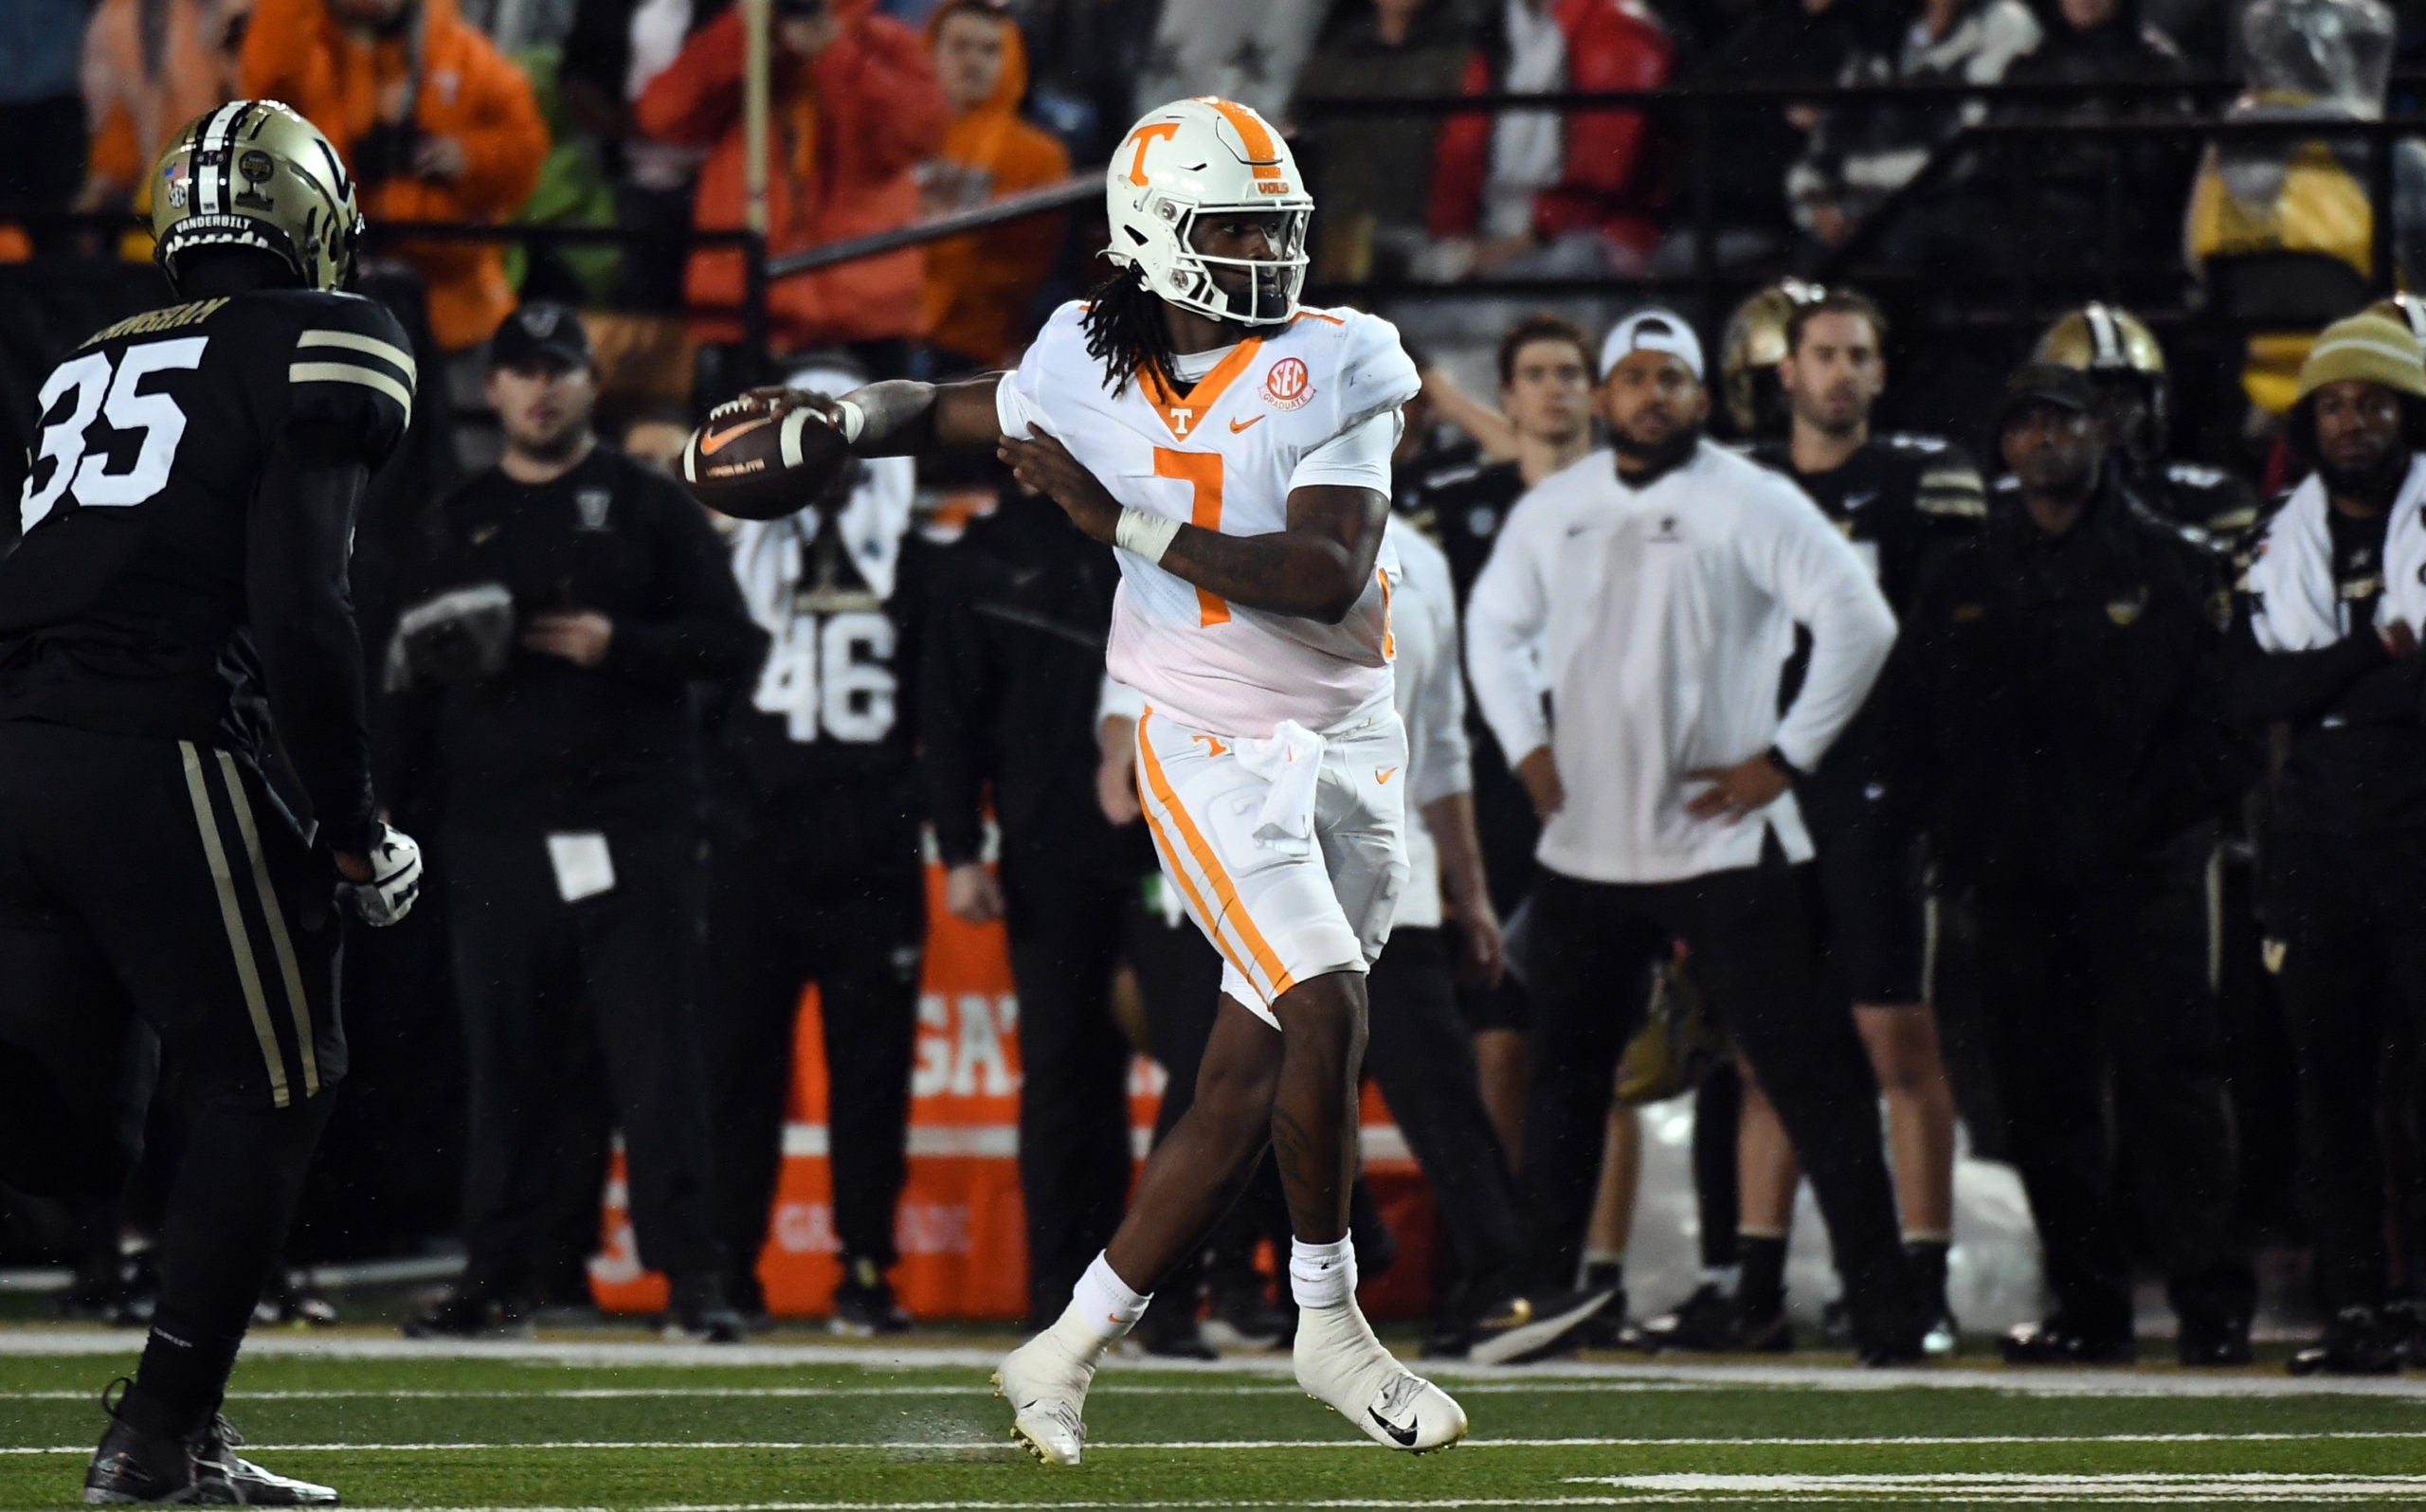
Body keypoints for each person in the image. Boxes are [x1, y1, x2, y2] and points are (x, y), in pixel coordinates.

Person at [741, 95, 1467, 1459]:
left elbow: (1322, 575)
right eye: (1235, 228)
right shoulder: (1084, 352)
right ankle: (1330, 1325)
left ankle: (1063, 1349)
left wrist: (1116, 518)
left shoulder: (1344, 356)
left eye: (1279, 225)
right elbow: (952, 409)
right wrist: (835, 418)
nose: (1268, 251)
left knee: (1242, 1081)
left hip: (1352, 732)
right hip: (1201, 737)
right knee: (1325, 1003)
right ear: (1157, 235)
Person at [0, 101, 422, 1503]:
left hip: (20, 745)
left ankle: (182, 1428)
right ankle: (162, 1434)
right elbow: (303, 608)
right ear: (308, 213)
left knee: (69, 1139)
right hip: (153, 741)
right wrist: (352, 824)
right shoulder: (325, 334)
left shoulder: (88, 353)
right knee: (279, 1077)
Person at [1464, 308, 1925, 1364]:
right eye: (1632, 378)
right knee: (1566, 1085)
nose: (1650, 396)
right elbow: (1492, 626)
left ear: (1703, 399)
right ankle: (1543, 1304)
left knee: (1808, 1077)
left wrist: (1786, 757)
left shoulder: (1750, 498)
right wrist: (1526, 744)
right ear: (1604, 397)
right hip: (1586, 851)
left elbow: (1861, 620)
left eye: (1669, 379)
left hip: (1725, 847)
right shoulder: (1557, 506)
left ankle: (1888, 1314)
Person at [383, 303, 765, 1341]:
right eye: (521, 370)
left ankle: (693, 1279)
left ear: (592, 384)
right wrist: (383, 808)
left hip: (633, 828)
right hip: (496, 832)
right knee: (506, 1065)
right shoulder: (455, 516)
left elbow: (733, 645)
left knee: (656, 1061)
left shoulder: (647, 504)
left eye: (558, 369)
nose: (540, 388)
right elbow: (400, 683)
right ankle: (502, 1275)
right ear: (493, 388)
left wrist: (620, 643)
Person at [1642, 289, 1981, 1355]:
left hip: (1874, 790)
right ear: (1784, 371)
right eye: (1822, 355)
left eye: (1857, 355)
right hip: (1761, 800)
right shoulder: (1735, 485)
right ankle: (1756, 1283)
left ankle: (1920, 1282)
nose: (1839, 373)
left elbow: (1947, 657)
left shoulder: (1918, 480)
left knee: (1895, 1042)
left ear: (1880, 370)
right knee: (1767, 1051)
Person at [1901, 362, 2254, 1366]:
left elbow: (2223, 724)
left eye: (2062, 420)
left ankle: (2211, 1310)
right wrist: (1958, 839)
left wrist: (2155, 827)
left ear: (2101, 432)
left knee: (2171, 1090)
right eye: (2024, 425)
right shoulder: (1963, 575)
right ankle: (2088, 1310)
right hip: (2017, 885)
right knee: (2042, 1099)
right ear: (2002, 445)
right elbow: (1918, 722)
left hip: (2143, 878)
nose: (2043, 440)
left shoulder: (2174, 564)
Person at [921, 452, 1231, 1348]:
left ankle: (1165, 1295)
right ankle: (1064, 1299)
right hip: (1049, 849)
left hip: (1174, 843)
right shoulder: (981, 559)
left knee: (1202, 1064)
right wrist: (960, 849)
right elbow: (948, 716)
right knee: (1065, 1071)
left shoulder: (1164, 532)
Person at [701, 362, 932, 1336]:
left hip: (869, 851)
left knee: (870, 1077)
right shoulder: (729, 560)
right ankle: (727, 1265)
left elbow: (941, 708)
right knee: (737, 1066)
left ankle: (865, 1266)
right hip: (755, 846)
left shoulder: (915, 562)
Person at [1360, 511, 1617, 1361]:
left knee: (1439, 1087)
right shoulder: (1235, 523)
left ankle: (1497, 1288)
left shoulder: (1422, 560)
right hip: (1276, 868)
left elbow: (1438, 740)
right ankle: (1142, 1295)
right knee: (1242, 1096)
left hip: (1390, 874)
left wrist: (1467, 890)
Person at [2228, 313, 2426, 1376]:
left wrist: (2325, 688)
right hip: (2315, 844)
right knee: (2329, 1090)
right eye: (2335, 405)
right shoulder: (2274, 535)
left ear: (2408, 414)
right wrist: (2368, 657)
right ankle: (2354, 1308)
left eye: (2375, 403)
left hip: (2415, 834)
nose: (2353, 422)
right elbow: (2245, 691)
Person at [1405, 314, 1597, 1154]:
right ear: (1509, 396)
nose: (1555, 390)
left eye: (1569, 374)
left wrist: (1452, 400)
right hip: (1496, 784)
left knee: (1602, 1042)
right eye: (1537, 376)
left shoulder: (1638, 500)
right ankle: (1500, 1228)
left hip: (1609, 782)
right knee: (1499, 1031)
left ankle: (1573, 1236)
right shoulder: (1455, 505)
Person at [636, 0, 948, 362]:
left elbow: (914, 137)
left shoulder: (884, 42)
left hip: (862, 313)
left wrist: (831, 51)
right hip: (744, 306)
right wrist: (742, 36)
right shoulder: (740, 40)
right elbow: (662, 117)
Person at [240, 0, 550, 354]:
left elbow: (527, 149)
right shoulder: (315, 55)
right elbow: (268, 84)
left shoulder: (464, 54)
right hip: (336, 304)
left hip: (454, 312)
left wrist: (469, 156)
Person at [1426, 0, 1674, 279]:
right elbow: (1462, 148)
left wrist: (1525, 240)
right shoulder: (1501, 22)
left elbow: (1601, 165)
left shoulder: (1619, 22)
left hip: (1592, 243)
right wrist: (1450, 237)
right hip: (1498, 234)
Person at [2031, 303, 2259, 552]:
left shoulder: (2212, 494)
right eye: (2096, 399)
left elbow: (2235, 567)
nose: (2113, 413)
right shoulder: (2015, 503)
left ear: (2153, 403)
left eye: (2124, 396)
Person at [919, 1, 1072, 371]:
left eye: (990, 50)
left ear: (1013, 59)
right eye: (960, 47)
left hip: (972, 346)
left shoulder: (1039, 157)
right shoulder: (891, 133)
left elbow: (1023, 272)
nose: (974, 62)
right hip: (878, 325)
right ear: (929, 52)